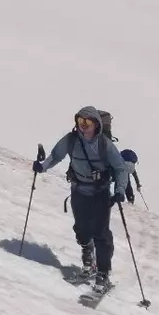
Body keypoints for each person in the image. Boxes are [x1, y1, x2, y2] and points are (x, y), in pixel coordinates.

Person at [32, 106, 130, 291]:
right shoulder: (71, 140)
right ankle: (89, 262)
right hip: (78, 190)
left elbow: (120, 167)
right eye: (80, 121)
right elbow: (55, 156)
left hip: (100, 193)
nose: (83, 126)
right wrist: (42, 167)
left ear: (96, 125)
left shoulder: (104, 144)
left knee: (101, 234)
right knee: (81, 229)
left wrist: (120, 190)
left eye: (87, 122)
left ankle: (103, 273)